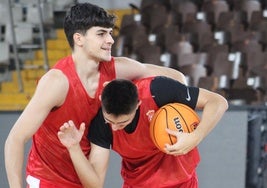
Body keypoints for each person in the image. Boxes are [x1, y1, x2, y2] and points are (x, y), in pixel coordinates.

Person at [4, 3, 187, 188]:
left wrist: (160, 111)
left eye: (109, 33)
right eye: (101, 34)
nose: (110, 40)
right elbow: (15, 139)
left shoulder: (117, 68)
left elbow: (178, 78)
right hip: (48, 180)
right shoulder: (56, 82)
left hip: (85, 179)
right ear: (79, 39)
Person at [58, 76, 228, 188]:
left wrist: (195, 137)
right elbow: (95, 184)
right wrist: (74, 148)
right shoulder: (100, 124)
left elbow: (218, 102)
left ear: (138, 104)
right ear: (102, 101)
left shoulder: (157, 90)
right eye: (111, 122)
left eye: (123, 122)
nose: (115, 128)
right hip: (138, 184)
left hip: (182, 181)